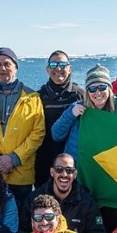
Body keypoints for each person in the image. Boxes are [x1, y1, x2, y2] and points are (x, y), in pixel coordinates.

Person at [0, 47, 45, 206]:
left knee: (20, 220)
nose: (2, 68)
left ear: (16, 67)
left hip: (21, 174)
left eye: (7, 64)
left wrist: (14, 158)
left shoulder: (32, 97)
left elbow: (38, 133)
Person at [19, 153, 105, 233]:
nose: (64, 174)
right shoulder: (34, 198)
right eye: (59, 169)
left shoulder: (87, 201)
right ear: (52, 172)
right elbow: (23, 231)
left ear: (75, 174)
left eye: (69, 170)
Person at [35, 50, 84, 188]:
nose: (58, 68)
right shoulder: (38, 97)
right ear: (47, 69)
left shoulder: (80, 96)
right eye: (53, 64)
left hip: (72, 164)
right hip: (45, 162)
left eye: (62, 64)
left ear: (70, 68)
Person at [51, 64, 116, 164]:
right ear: (87, 92)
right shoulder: (77, 108)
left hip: (105, 168)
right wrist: (70, 115)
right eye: (92, 89)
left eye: (102, 87)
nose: (98, 93)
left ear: (109, 89)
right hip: (80, 169)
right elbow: (56, 135)